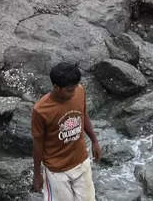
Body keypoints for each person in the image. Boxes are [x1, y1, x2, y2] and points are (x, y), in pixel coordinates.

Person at [31, 62, 102, 200]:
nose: (74, 92)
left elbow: (83, 115)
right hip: (56, 170)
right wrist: (37, 174)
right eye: (70, 90)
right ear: (56, 87)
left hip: (81, 161)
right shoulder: (40, 110)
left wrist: (94, 141)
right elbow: (37, 143)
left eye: (75, 87)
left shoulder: (79, 91)